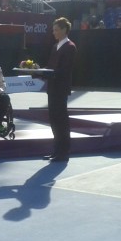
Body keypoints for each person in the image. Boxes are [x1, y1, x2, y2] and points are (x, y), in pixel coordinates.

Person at [41, 17, 77, 162]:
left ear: (64, 30)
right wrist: (37, 70)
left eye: (56, 30)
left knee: (61, 120)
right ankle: (56, 151)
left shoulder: (70, 47)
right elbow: (50, 67)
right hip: (52, 89)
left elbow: (64, 70)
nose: (53, 32)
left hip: (61, 89)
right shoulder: (55, 47)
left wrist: (48, 73)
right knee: (54, 120)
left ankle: (64, 152)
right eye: (53, 30)